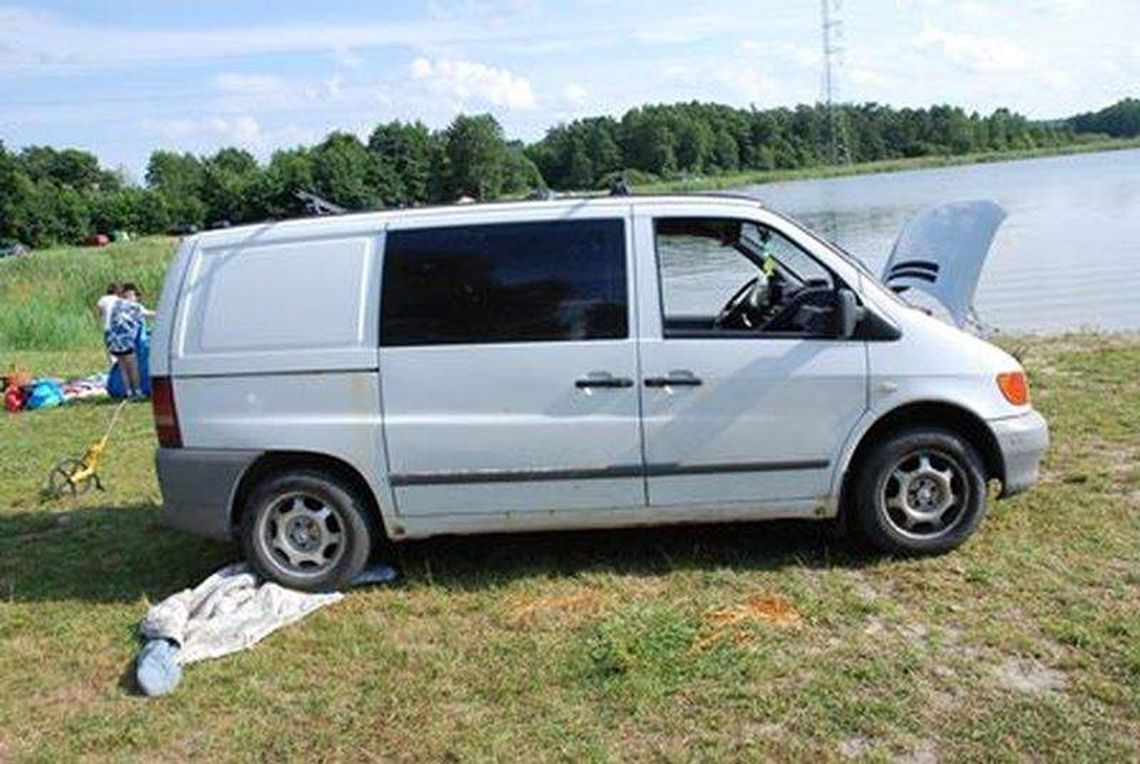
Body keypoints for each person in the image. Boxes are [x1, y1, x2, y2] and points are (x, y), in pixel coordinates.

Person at [107, 282, 156, 400]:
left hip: (114, 342)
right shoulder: (135, 306)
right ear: (131, 295)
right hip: (126, 342)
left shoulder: (117, 305)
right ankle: (137, 391)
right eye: (135, 295)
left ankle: (128, 391)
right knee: (133, 367)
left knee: (123, 368)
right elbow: (148, 314)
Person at [96, 282, 123, 364]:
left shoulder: (103, 299)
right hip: (119, 327)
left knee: (111, 351)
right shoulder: (120, 300)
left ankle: (114, 365)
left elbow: (99, 313)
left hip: (107, 327)